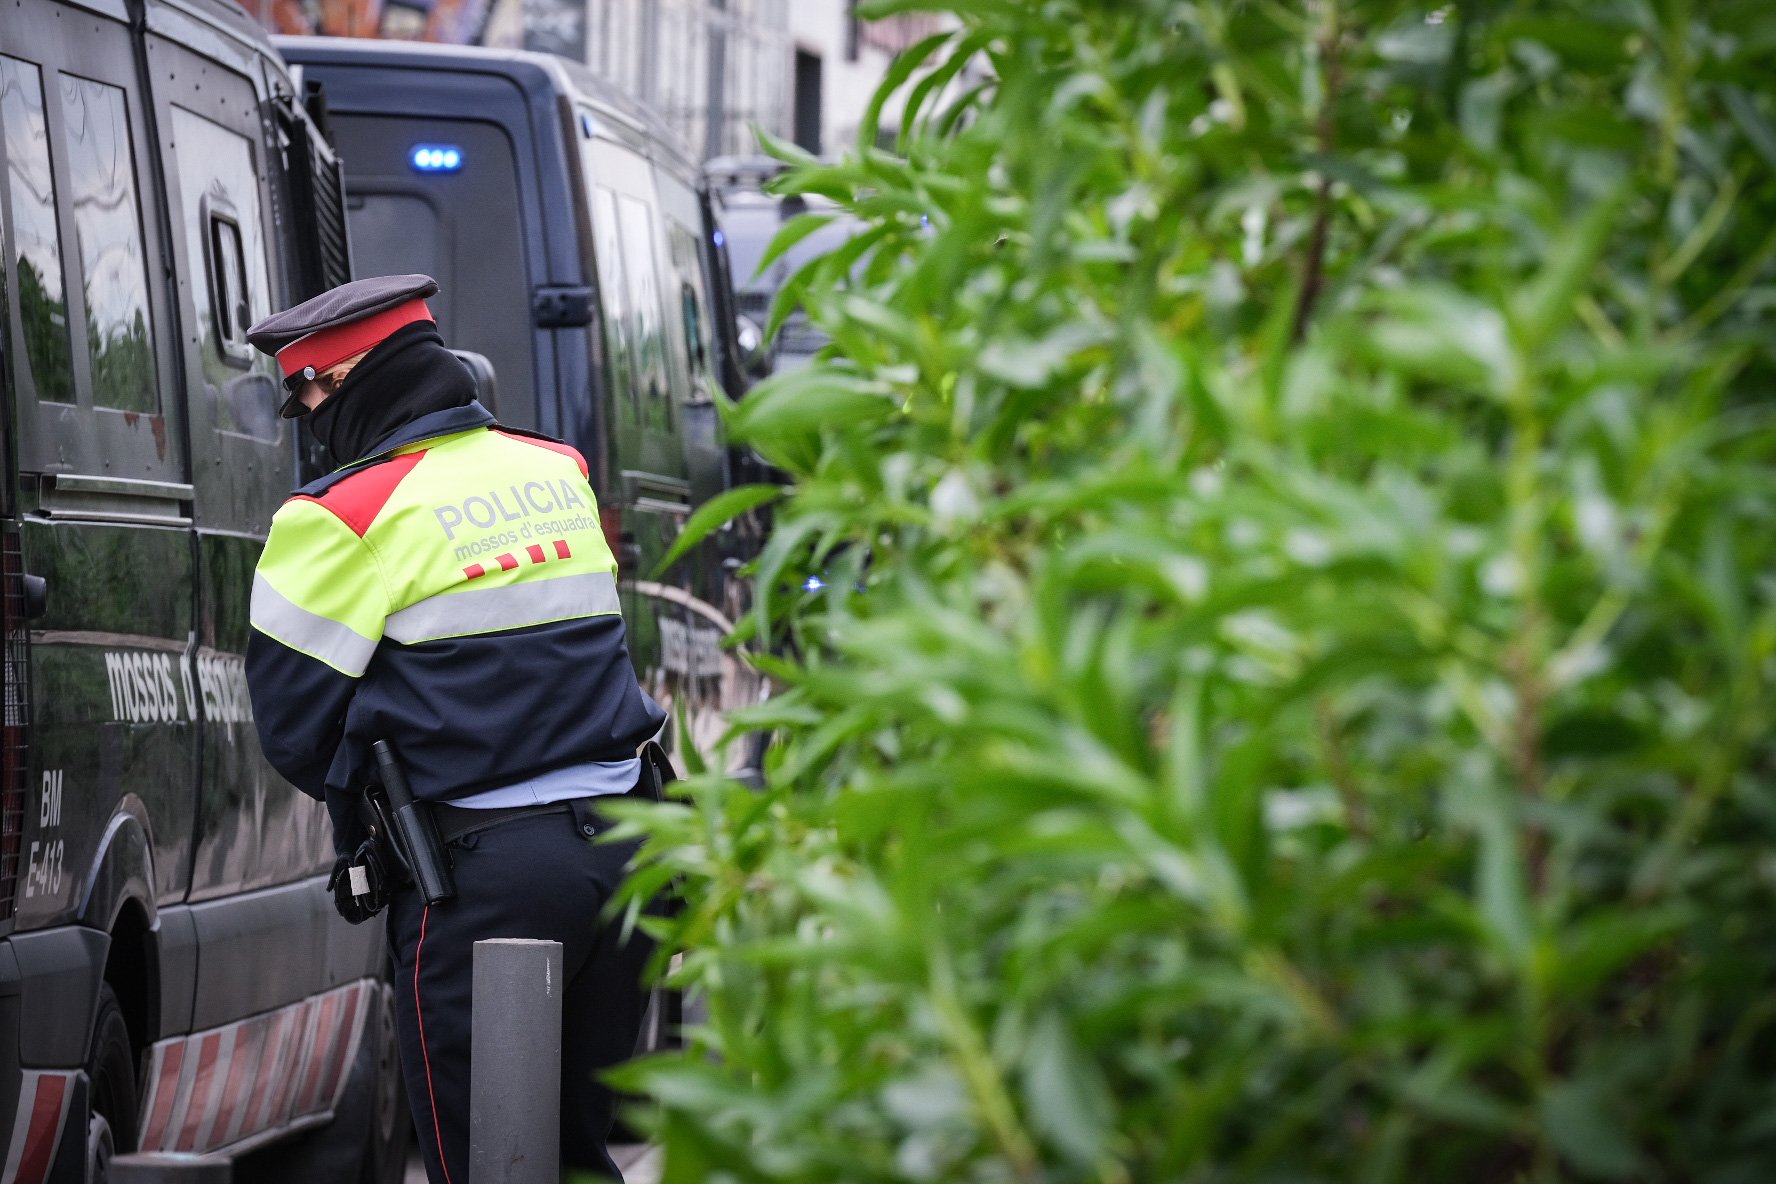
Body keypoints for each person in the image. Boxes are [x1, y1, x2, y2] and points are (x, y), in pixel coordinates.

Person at [242, 274, 665, 1183]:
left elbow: (295, 731)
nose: (309, 422)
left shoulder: (337, 516)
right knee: (577, 1157)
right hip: (628, 853)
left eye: (307, 397)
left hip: (486, 881)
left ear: (347, 380)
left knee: (488, 1164)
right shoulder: (557, 470)